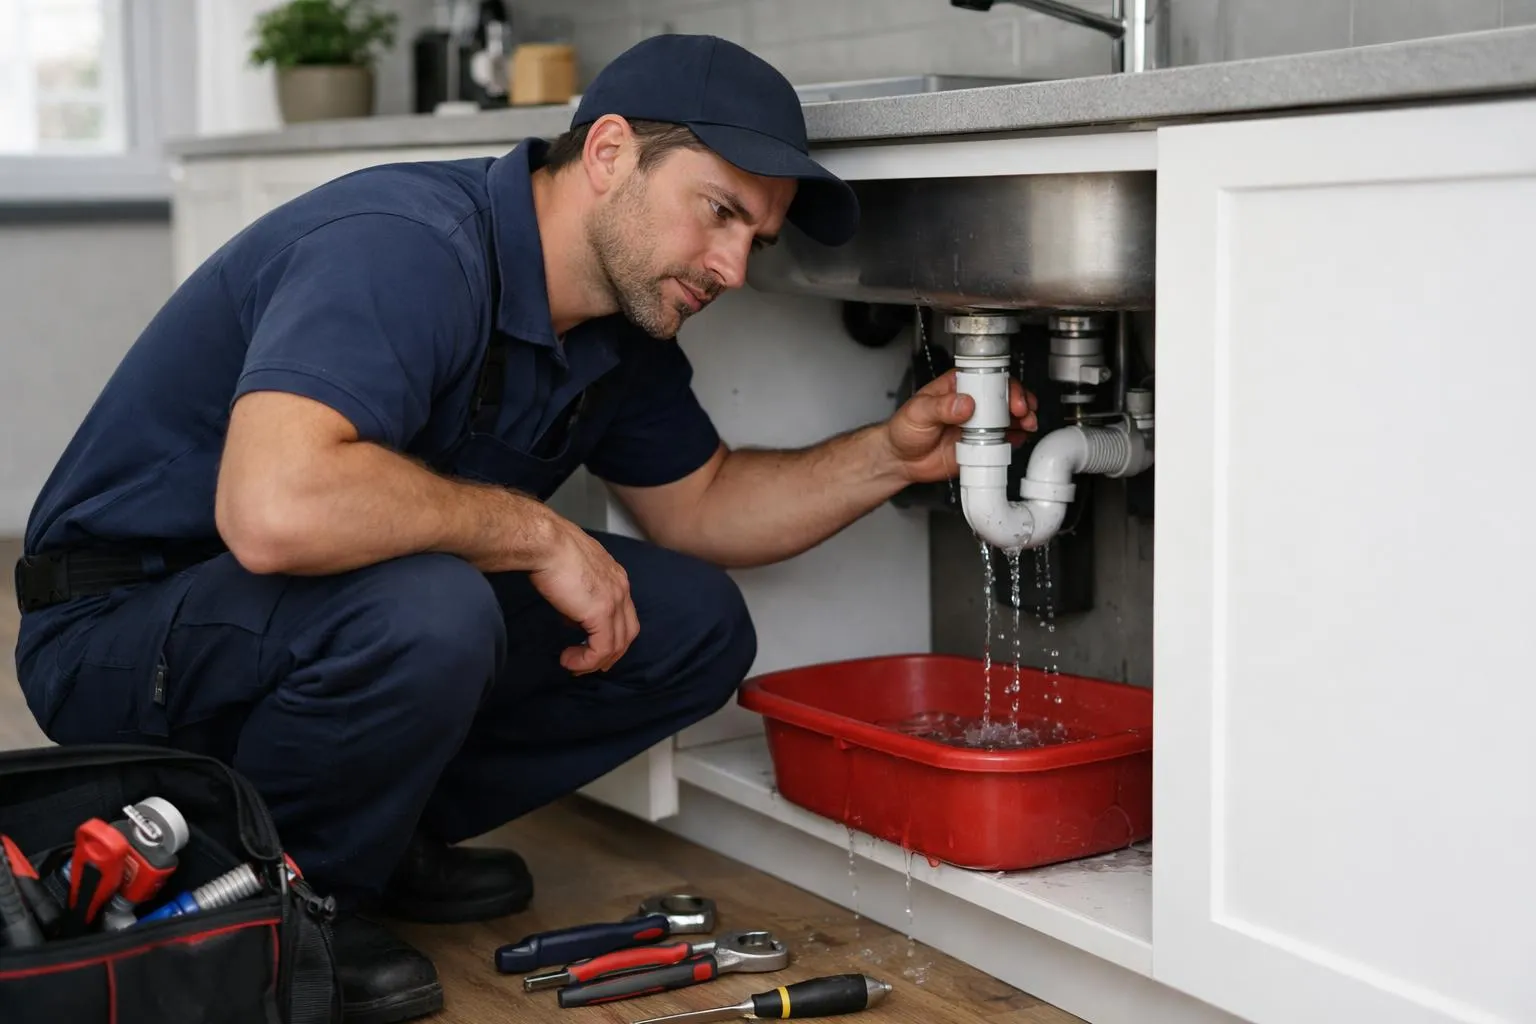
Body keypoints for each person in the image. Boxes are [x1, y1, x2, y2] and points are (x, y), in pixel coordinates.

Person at [11, 33, 1038, 1024]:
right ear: (609, 153)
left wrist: (888, 456)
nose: (731, 267)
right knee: (434, 608)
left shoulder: (617, 326)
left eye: (754, 239)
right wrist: (541, 537)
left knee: (692, 625)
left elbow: (704, 504)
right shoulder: (407, 248)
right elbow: (273, 510)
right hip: (120, 623)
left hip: (301, 621)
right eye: (718, 213)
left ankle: (371, 828)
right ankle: (291, 901)